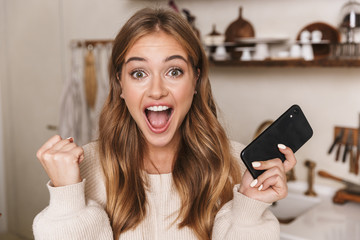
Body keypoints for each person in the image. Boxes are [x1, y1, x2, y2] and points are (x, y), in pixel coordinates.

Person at [33, 7, 296, 240]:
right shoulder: (85, 170)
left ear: (195, 80)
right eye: (138, 73)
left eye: (174, 71)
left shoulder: (235, 166)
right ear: (120, 84)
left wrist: (248, 210)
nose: (156, 91)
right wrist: (67, 198)